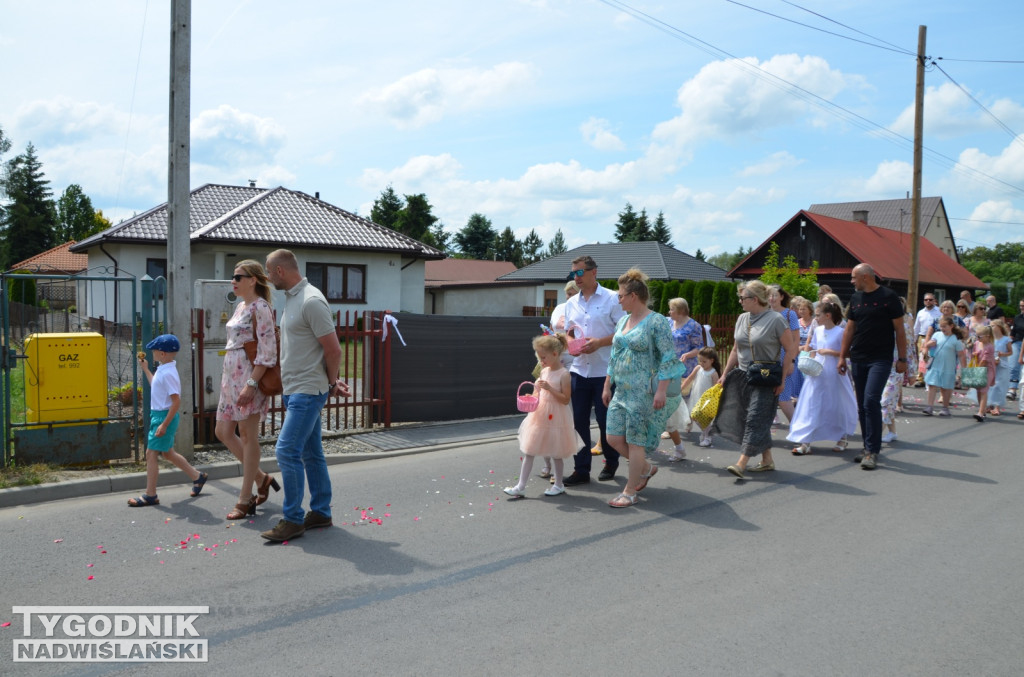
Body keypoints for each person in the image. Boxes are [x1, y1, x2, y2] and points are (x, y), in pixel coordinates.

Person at [260, 249, 351, 542]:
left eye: (268, 271)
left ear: (280, 272)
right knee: (312, 453)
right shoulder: (292, 299)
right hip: (296, 389)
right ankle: (321, 512)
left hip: (307, 391)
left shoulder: (311, 300)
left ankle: (293, 519)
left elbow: (333, 349)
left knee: (286, 451)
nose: (267, 276)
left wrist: (331, 381)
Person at [602, 269, 682, 507]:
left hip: (643, 392)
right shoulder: (624, 320)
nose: (619, 300)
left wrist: (661, 390)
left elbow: (669, 357)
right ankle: (645, 469)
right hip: (622, 390)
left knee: (636, 441)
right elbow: (614, 354)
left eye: (621, 296)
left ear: (633, 296)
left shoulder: (656, 321)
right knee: (613, 438)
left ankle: (629, 491)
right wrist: (607, 384)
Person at [215, 260, 281, 520]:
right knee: (222, 431)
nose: (234, 280)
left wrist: (251, 385)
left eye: (238, 276)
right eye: (234, 276)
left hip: (247, 378)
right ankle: (262, 478)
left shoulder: (261, 307)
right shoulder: (240, 306)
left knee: (247, 435)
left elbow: (268, 353)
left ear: (253, 280)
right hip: (229, 377)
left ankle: (246, 498)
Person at [712, 280, 797, 479]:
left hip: (765, 377)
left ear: (755, 299)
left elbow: (791, 348)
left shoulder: (776, 320)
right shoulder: (742, 319)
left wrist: (783, 379)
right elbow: (735, 349)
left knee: (755, 419)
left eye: (743, 298)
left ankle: (741, 463)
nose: (740, 301)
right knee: (751, 418)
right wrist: (724, 374)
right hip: (743, 376)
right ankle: (767, 460)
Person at [562, 255, 625, 485]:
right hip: (579, 369)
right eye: (573, 273)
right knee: (578, 421)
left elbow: (623, 333)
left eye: (579, 272)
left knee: (605, 419)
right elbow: (569, 332)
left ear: (593, 272)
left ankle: (611, 461)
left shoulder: (611, 299)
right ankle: (581, 469)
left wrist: (598, 342)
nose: (576, 278)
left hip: (604, 371)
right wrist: (572, 346)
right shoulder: (571, 303)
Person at [838, 264, 907, 471]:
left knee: (871, 400)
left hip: (881, 358)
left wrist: (902, 358)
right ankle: (867, 446)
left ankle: (872, 451)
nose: (851, 281)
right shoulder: (856, 299)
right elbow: (850, 329)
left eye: (853, 278)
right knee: (862, 404)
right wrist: (842, 357)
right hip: (858, 357)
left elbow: (900, 330)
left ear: (865, 277)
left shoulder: (889, 296)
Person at [127, 334, 208, 507]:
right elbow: (155, 384)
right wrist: (146, 370)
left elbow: (176, 401)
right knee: (167, 453)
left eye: (154, 351)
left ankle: (150, 495)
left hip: (164, 416)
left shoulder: (169, 373)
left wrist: (164, 424)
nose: (152, 353)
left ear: (163, 353)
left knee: (151, 454)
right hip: (159, 415)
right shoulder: (163, 369)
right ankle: (197, 476)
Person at [505, 334, 580, 498]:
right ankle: (520, 486)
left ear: (555, 354)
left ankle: (559, 484)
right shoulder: (544, 371)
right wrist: (531, 395)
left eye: (543, 357)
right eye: (539, 357)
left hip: (557, 416)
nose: (541, 360)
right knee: (529, 450)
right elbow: (537, 394)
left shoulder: (564, 374)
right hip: (539, 416)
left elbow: (566, 400)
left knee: (556, 452)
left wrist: (549, 389)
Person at [787, 302, 858, 455]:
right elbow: (813, 348)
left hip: (834, 372)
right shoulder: (818, 330)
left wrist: (829, 351)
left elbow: (846, 353)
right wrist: (810, 361)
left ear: (828, 316)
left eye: (818, 315)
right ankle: (805, 441)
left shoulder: (840, 332)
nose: (815, 318)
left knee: (836, 404)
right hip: (817, 372)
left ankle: (842, 437)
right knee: (811, 403)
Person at [768, 285, 801, 424]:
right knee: (768, 397)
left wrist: (792, 361)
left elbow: (796, 339)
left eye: (775, 295)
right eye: (769, 295)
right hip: (768, 360)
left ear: (782, 297)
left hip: (785, 359)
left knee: (783, 397)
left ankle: (797, 430)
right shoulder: (764, 313)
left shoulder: (789, 314)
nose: (772, 298)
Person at [921, 316, 964, 417]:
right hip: (936, 365)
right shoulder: (937, 334)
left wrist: (964, 369)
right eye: (941, 327)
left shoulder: (956, 339)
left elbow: (961, 355)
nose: (942, 329)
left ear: (951, 326)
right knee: (932, 385)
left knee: (945, 388)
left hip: (948, 367)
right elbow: (930, 345)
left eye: (944, 326)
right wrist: (928, 345)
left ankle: (945, 408)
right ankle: (929, 407)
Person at [681, 347, 721, 449]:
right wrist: (681, 388)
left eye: (704, 361)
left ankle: (707, 436)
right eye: (700, 361)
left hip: (706, 400)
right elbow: (690, 378)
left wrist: (714, 401)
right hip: (695, 397)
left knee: (704, 418)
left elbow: (716, 388)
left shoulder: (713, 373)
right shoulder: (698, 368)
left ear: (711, 361)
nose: (701, 363)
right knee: (694, 415)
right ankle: (705, 432)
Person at [912, 293, 940, 387]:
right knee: (922, 358)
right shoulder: (921, 312)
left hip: (935, 337)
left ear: (934, 300)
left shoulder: (939, 312)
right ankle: (921, 379)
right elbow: (916, 327)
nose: (928, 301)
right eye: (926, 300)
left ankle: (933, 378)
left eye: (930, 299)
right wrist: (914, 339)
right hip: (922, 337)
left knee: (934, 357)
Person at [970, 325, 996, 422]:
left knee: (984, 390)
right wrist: (974, 355)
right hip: (979, 368)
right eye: (977, 336)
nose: (978, 338)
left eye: (980, 336)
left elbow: (985, 360)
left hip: (987, 369)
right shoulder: (977, 343)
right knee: (978, 390)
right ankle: (982, 409)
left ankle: (981, 413)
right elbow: (975, 353)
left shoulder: (989, 346)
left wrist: (978, 370)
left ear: (987, 336)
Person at [988, 319, 1012, 416]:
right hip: (991, 364)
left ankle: (997, 407)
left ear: (999, 327)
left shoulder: (1006, 339)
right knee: (990, 384)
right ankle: (989, 405)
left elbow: (1011, 352)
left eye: (993, 325)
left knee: (999, 385)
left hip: (1002, 364)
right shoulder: (990, 339)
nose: (991, 327)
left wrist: (1002, 354)